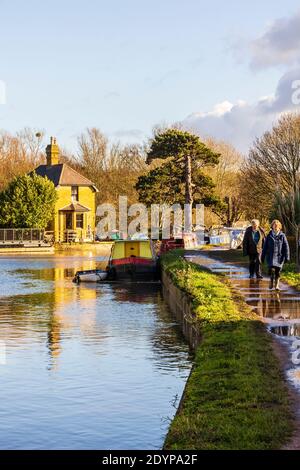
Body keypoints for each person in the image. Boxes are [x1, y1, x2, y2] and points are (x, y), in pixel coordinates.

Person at [261, 219, 290, 291]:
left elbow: (286, 247)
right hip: (270, 256)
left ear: (279, 227)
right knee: (271, 270)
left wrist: (287, 256)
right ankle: (271, 280)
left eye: (277, 225)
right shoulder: (269, 236)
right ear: (272, 226)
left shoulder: (282, 236)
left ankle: (276, 285)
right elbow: (265, 247)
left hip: (279, 257)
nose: (276, 226)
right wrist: (262, 256)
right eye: (274, 225)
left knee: (277, 271)